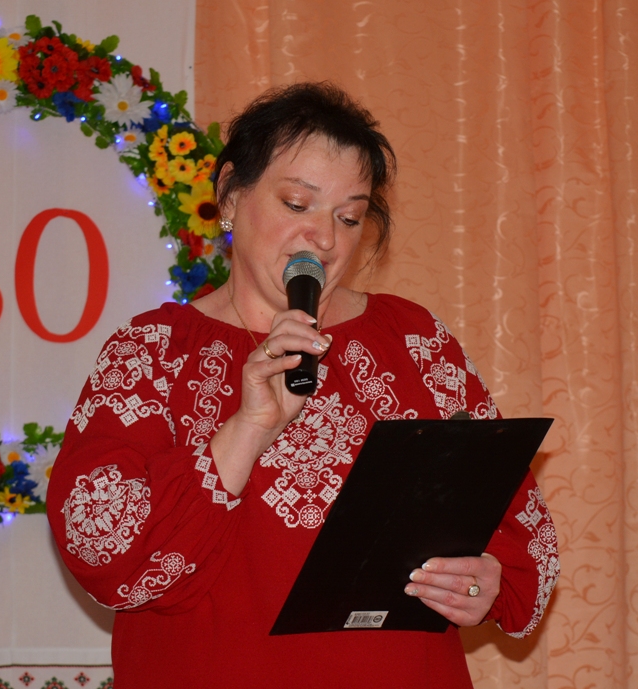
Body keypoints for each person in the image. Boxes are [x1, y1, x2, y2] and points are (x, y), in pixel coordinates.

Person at [47, 82, 559, 688]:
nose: (324, 238)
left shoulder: (414, 339)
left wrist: (486, 579)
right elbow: (101, 546)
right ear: (230, 194)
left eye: (349, 216)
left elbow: (518, 523)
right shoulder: (152, 352)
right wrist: (248, 428)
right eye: (297, 204)